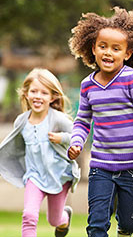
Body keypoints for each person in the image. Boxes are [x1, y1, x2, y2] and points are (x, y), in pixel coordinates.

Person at [68, 6, 133, 237]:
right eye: (103, 46)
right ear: (93, 49)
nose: (109, 53)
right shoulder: (87, 84)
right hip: (101, 165)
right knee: (96, 223)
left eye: (116, 48)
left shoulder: (132, 79)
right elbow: (82, 121)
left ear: (127, 54)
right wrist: (76, 142)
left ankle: (125, 230)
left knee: (130, 223)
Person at [0, 68, 81, 237]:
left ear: (52, 97)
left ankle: (64, 216)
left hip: (59, 176)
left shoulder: (57, 118)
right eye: (34, 91)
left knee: (54, 220)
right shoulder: (21, 122)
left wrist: (62, 138)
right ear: (26, 94)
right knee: (29, 215)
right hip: (34, 176)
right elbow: (14, 148)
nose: (38, 96)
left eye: (44, 93)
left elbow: (78, 136)